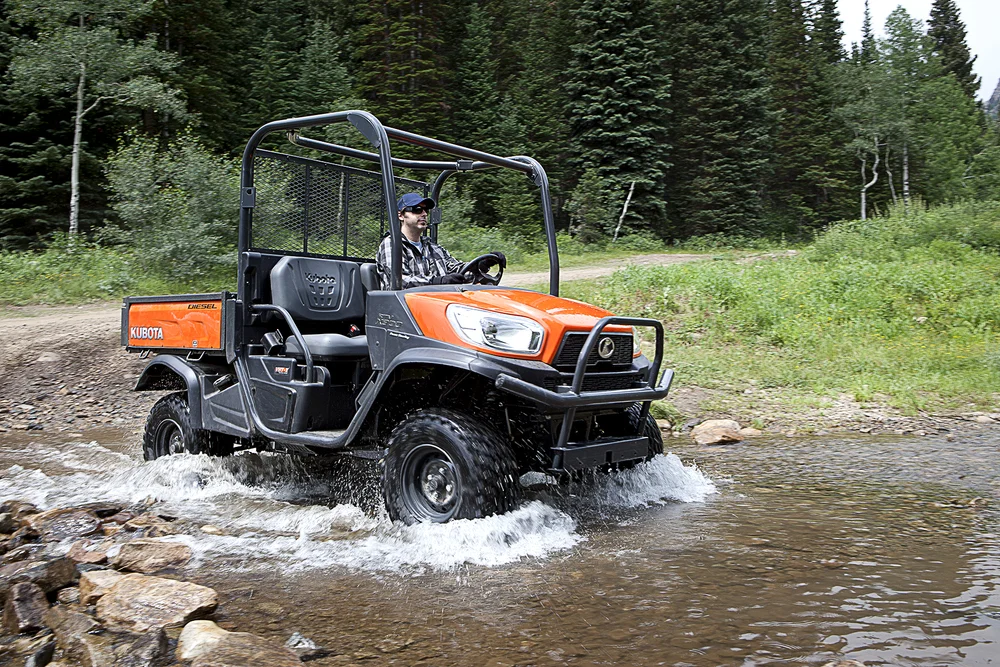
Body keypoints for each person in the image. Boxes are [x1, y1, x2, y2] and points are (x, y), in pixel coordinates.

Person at [375, 192, 505, 289]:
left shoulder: (432, 247)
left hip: (435, 305)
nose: (424, 214)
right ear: (401, 215)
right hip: (403, 309)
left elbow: (457, 271)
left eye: (426, 210)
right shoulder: (392, 244)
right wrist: (437, 282)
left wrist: (483, 264)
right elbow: (400, 281)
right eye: (417, 210)